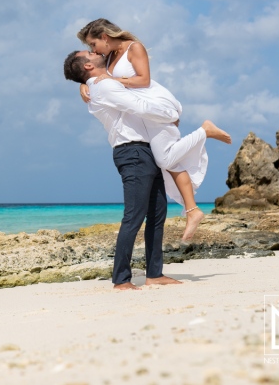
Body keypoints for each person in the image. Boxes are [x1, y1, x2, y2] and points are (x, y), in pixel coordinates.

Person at [76, 19, 231, 242]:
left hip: (155, 105)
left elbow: (143, 79)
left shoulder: (133, 47)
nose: (93, 50)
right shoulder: (108, 56)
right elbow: (96, 74)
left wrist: (112, 80)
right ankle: (192, 210)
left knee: (166, 159)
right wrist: (84, 83)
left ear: (104, 37)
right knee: (167, 161)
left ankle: (204, 131)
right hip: (144, 113)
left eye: (93, 44)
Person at [63, 49, 182, 290]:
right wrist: (172, 115)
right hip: (133, 152)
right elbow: (139, 106)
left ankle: (154, 274)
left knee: (157, 213)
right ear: (87, 66)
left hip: (146, 150)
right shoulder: (104, 86)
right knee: (134, 215)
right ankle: (121, 279)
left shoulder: (105, 83)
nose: (95, 50)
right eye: (89, 51)